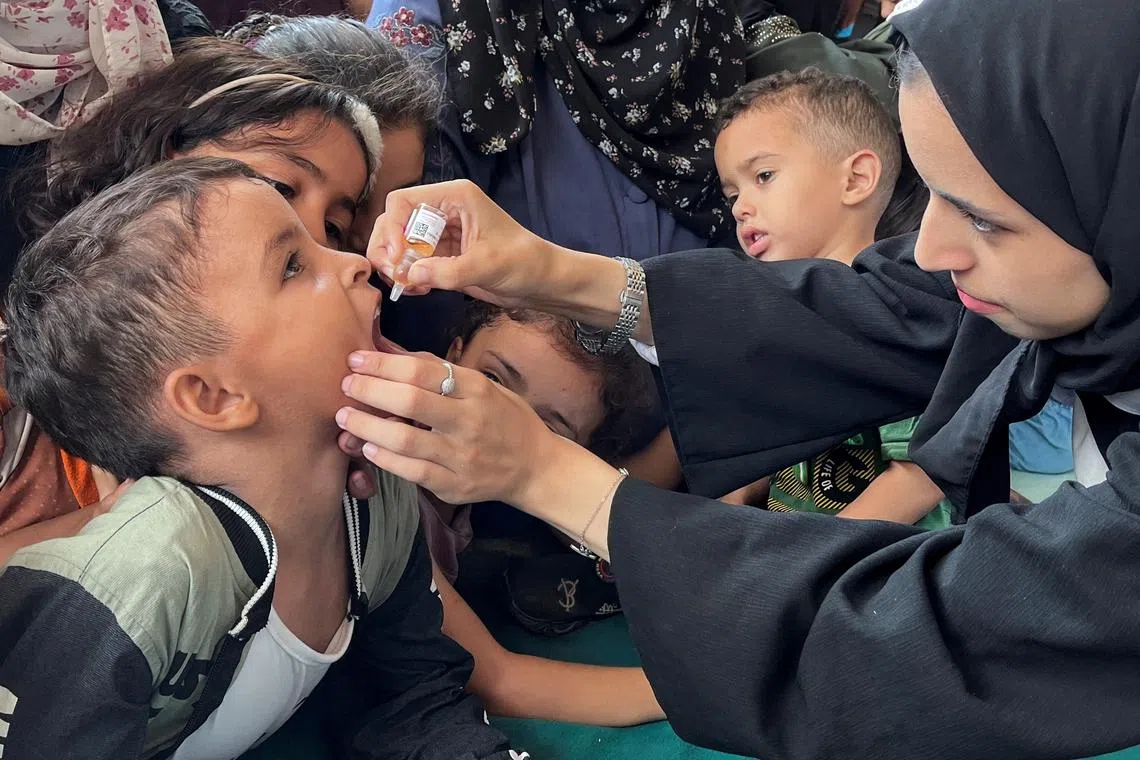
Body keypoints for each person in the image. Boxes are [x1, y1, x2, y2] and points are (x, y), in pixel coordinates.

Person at [336, 0, 1140, 756]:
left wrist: (546, 476)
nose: (930, 249)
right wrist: (547, 270)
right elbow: (875, 312)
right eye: (935, 198)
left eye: (986, 218)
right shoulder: (1057, 286)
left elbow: (917, 642)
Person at [5, 34, 666, 730]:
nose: (366, 264)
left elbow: (429, 686)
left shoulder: (367, 480)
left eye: (338, 227)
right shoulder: (143, 561)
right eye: (280, 195)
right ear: (170, 161)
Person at [0, 158, 521, 760]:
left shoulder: (375, 500)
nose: (354, 263)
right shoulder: (142, 579)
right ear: (214, 398)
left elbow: (411, 696)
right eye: (294, 265)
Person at [714, 68, 948, 528]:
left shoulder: (897, 313)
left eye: (763, 176)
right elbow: (766, 446)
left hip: (886, 559)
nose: (740, 207)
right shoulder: (779, 319)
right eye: (733, 194)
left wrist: (809, 557)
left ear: (856, 179)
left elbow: (922, 474)